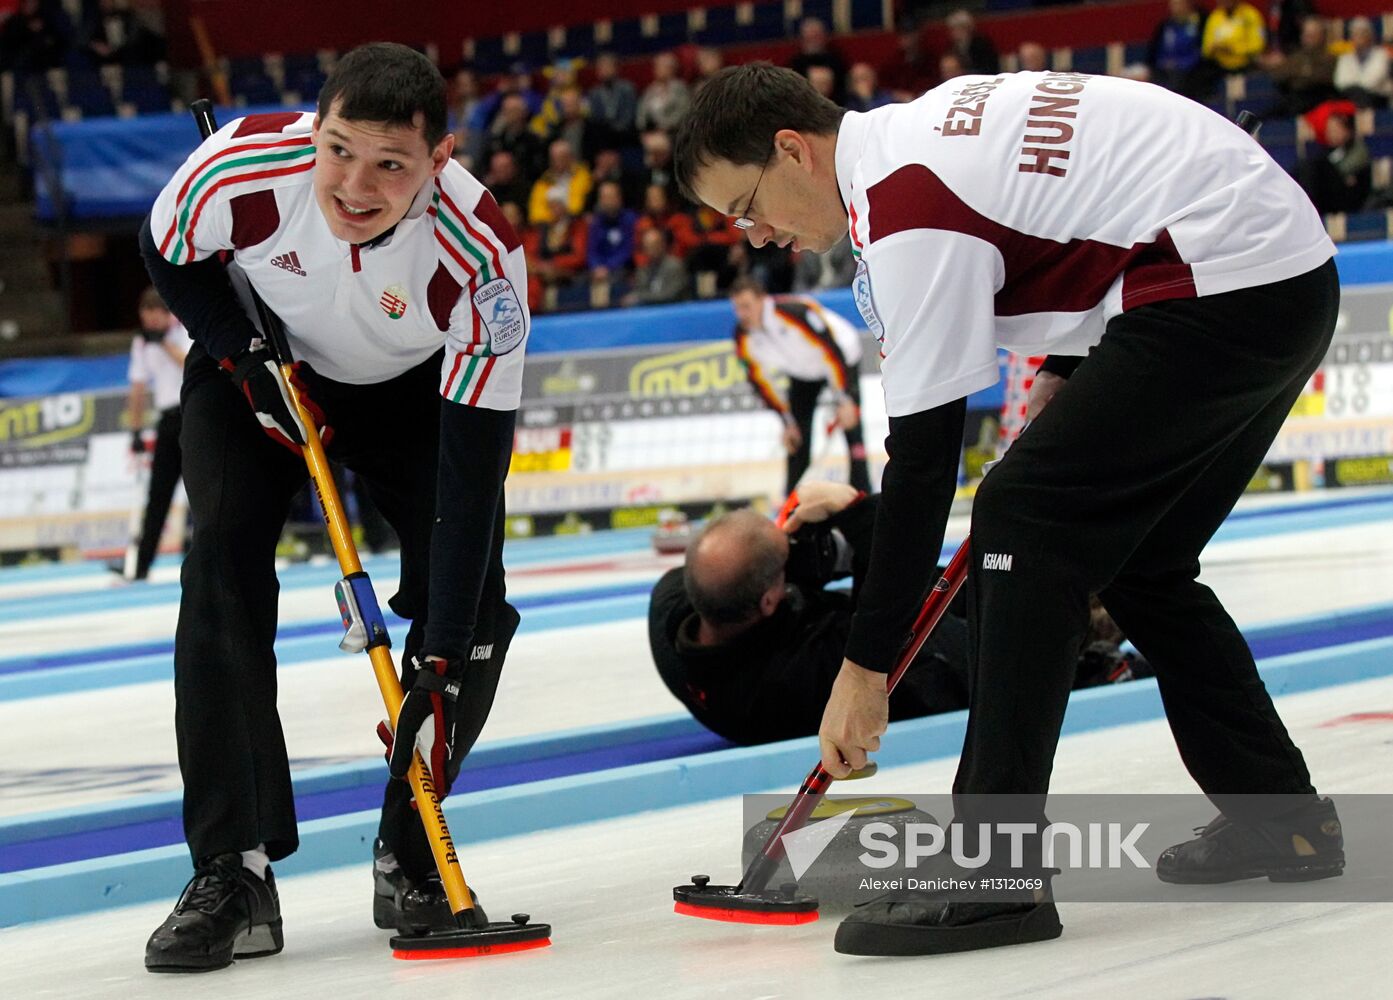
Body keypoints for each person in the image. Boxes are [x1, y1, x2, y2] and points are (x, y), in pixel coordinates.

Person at [675, 63, 1342, 958]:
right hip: (1271, 270)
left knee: (1020, 519)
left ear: (793, 149)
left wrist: (863, 670)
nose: (756, 238)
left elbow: (921, 471)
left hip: (1220, 281)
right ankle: (1278, 819)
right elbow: (1091, 205)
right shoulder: (921, 132)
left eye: (746, 207)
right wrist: (1071, 369)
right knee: (1139, 559)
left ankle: (994, 869)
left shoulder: (905, 211)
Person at [138, 43, 527, 972]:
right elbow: (167, 252)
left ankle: (412, 849)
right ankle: (231, 870)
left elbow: (474, 473)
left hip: (412, 391)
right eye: (340, 151)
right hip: (258, 368)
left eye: (391, 164)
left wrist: (435, 657)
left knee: (471, 611)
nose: (355, 186)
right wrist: (239, 356)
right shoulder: (240, 166)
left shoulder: (481, 255)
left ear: (437, 163)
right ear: (316, 130)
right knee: (221, 564)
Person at [649, 484, 1147, 745]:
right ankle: (1096, 654)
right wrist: (859, 512)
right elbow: (886, 613)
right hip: (915, 678)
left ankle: (1088, 602)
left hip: (839, 638)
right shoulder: (793, 674)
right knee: (994, 635)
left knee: (964, 588)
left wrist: (801, 558)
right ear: (767, 602)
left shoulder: (673, 607)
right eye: (786, 566)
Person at [728, 276, 870, 495]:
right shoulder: (743, 336)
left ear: (762, 300)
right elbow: (759, 381)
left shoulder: (793, 312)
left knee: (851, 425)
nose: (742, 314)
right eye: (737, 308)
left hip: (841, 359)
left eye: (746, 306)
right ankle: (792, 499)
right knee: (797, 436)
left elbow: (832, 351)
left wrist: (845, 399)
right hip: (802, 372)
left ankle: (863, 493)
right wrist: (786, 421)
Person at [119, 287, 192, 582]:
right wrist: (135, 429)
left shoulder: (184, 328)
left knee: (201, 492)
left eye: (154, 320)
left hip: (191, 415)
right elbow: (137, 387)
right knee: (157, 496)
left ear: (166, 314)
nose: (149, 326)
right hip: (167, 421)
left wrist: (164, 343)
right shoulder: (142, 341)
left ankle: (202, 559)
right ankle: (141, 566)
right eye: (145, 320)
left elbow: (191, 365)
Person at [1334, 17, 1391, 109]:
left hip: (1376, 98)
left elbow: (1372, 81)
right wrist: (1357, 86)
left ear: (1370, 35)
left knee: (1362, 98)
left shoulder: (1381, 54)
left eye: (1362, 34)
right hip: (1351, 97)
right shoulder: (1345, 58)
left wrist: (1355, 83)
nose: (1358, 38)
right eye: (1355, 34)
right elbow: (1340, 82)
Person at [946, 9, 999, 75]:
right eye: (952, 29)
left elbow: (989, 68)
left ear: (967, 28)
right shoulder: (953, 46)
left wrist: (965, 72)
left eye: (956, 29)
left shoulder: (982, 44)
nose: (953, 33)